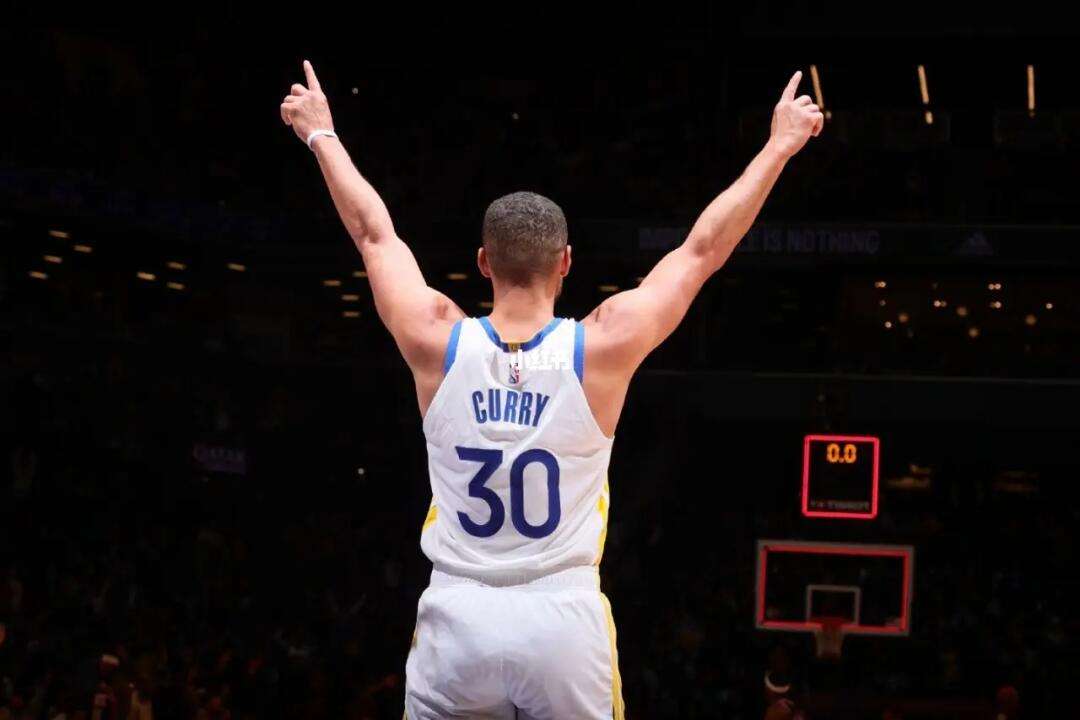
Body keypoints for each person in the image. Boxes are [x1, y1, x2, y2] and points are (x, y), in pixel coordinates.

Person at [281, 60, 822, 719]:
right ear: (566, 262)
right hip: (560, 616)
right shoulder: (602, 345)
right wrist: (778, 146)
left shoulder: (435, 338)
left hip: (458, 612)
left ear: (483, 263)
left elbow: (373, 234)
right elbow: (702, 250)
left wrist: (321, 134)